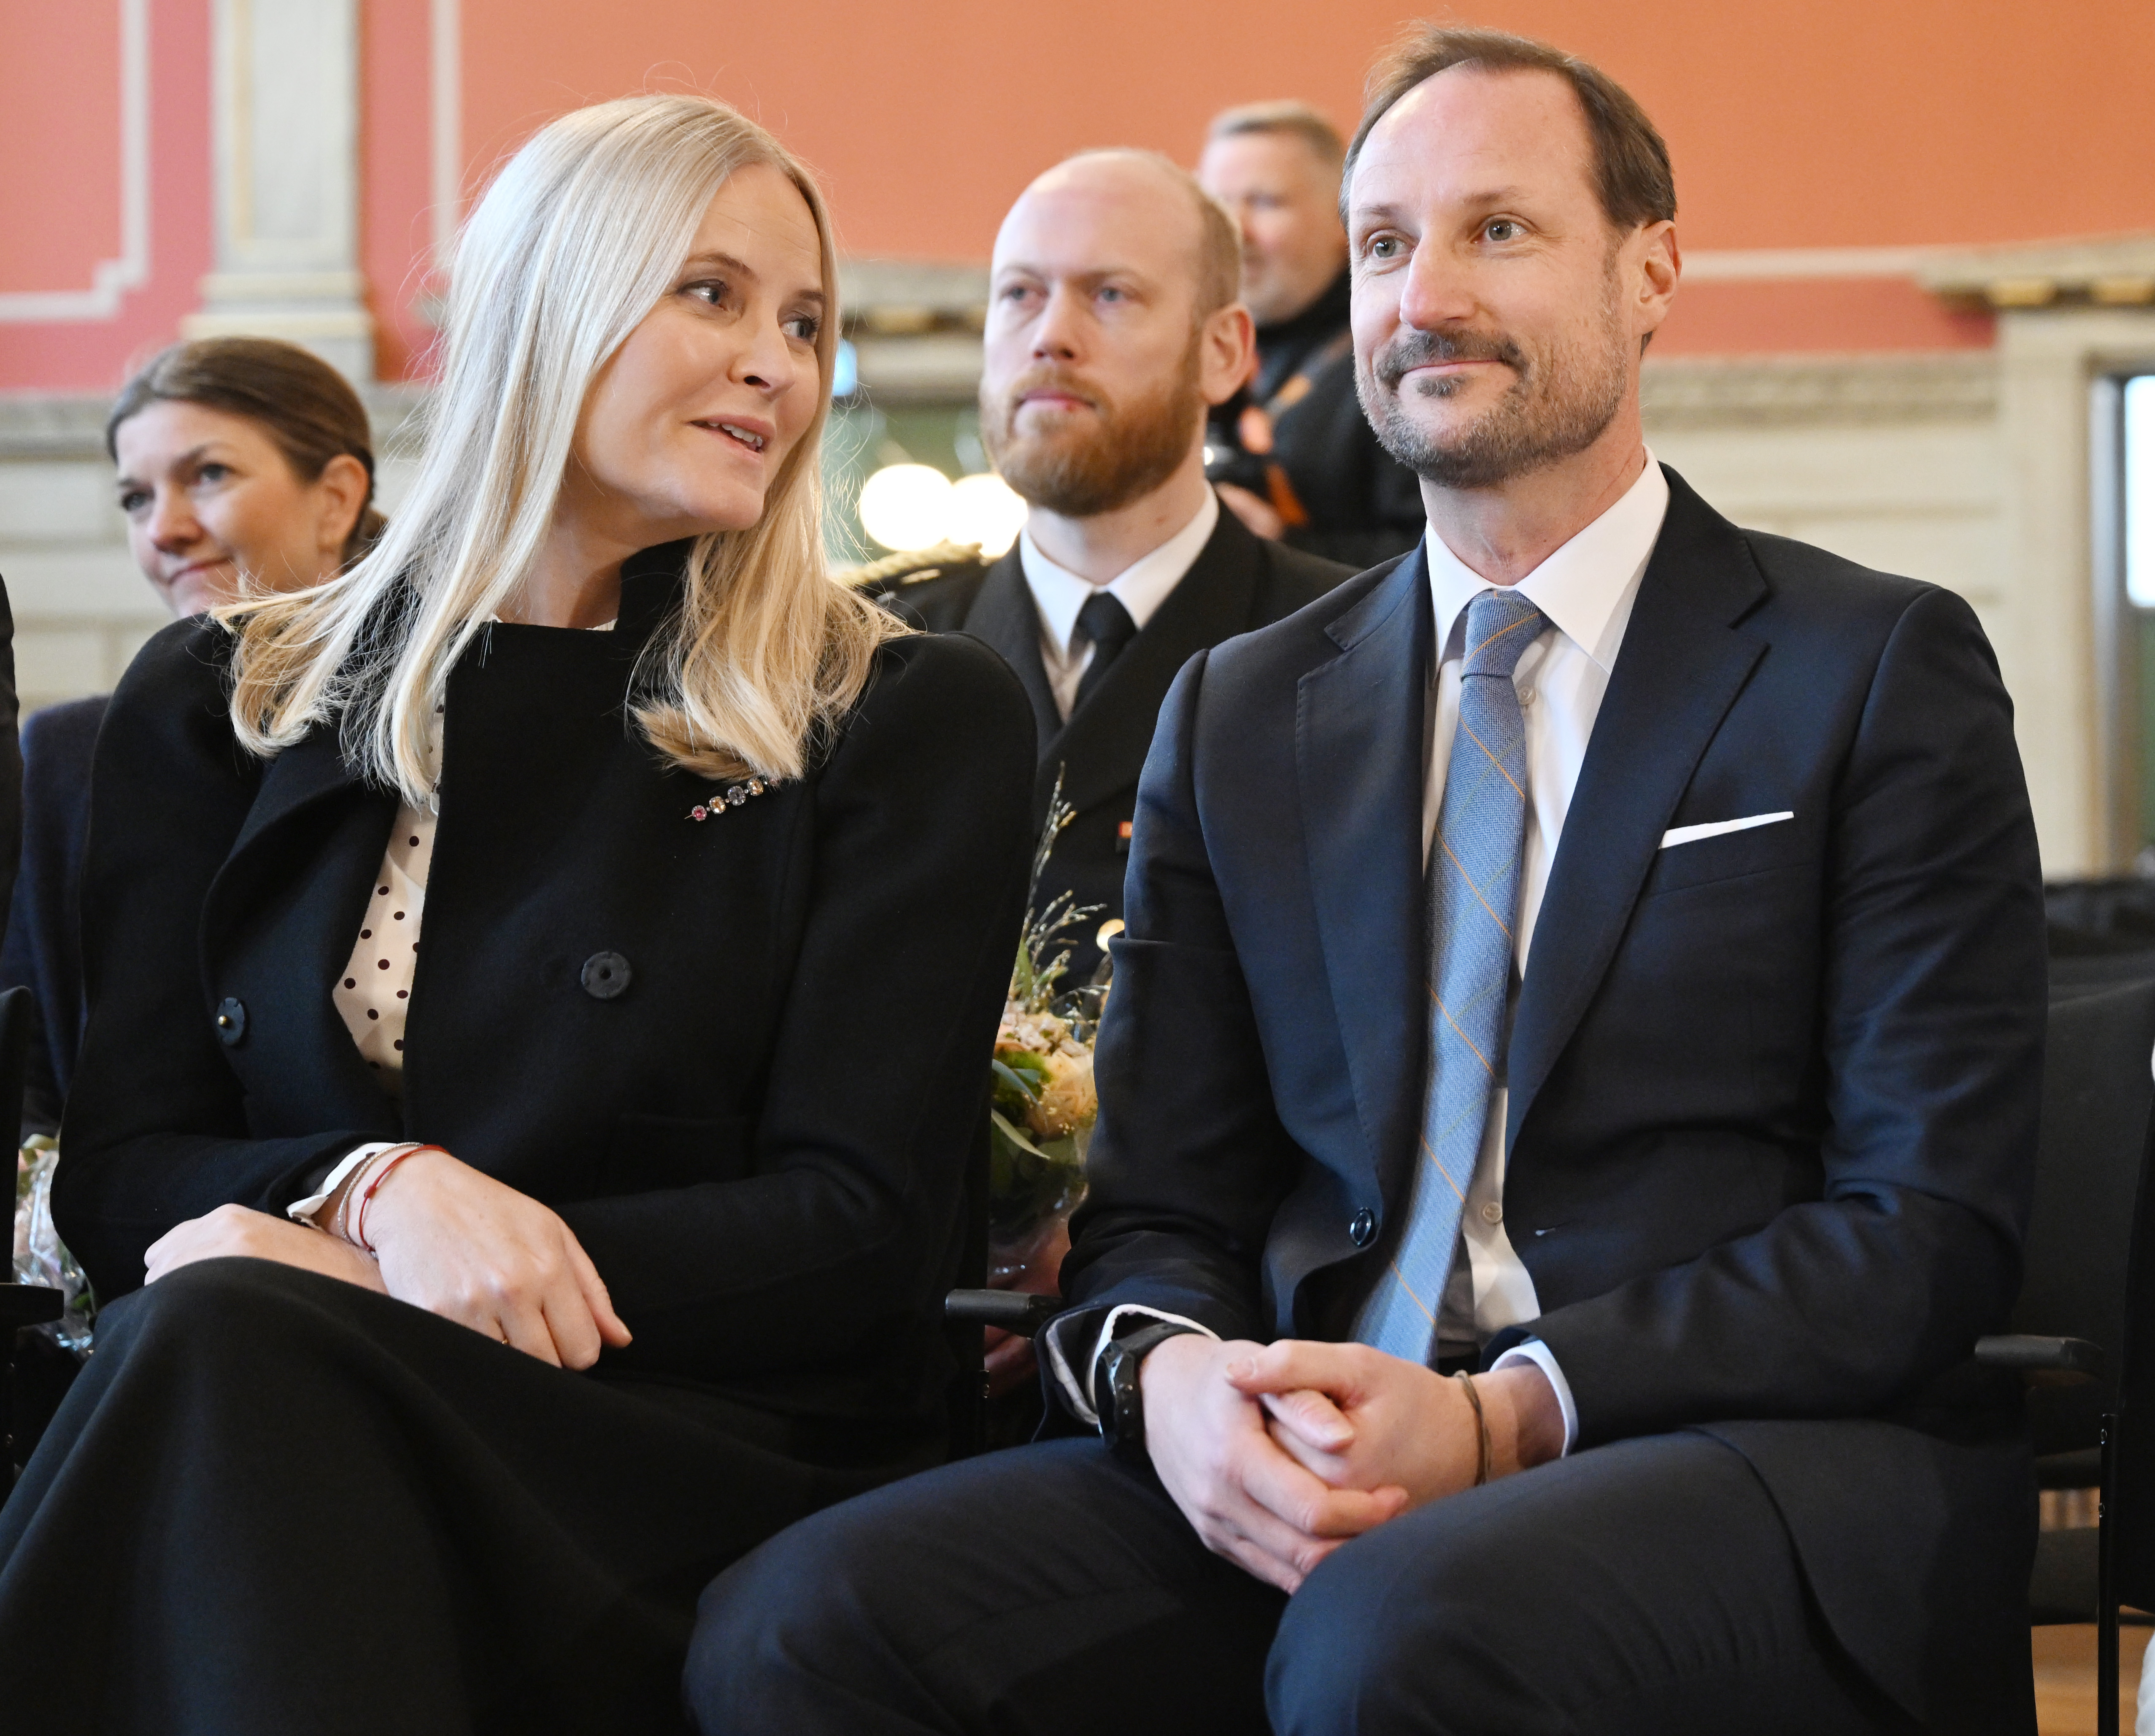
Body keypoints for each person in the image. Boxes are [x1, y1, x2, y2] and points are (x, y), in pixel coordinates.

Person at [689, 27, 2044, 1736]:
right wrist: (1173, 1378)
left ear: (1651, 270)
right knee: (795, 1623)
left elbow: (1925, 1227)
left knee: (1396, 1634)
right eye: (1387, 242)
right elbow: (1161, 1208)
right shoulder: (1247, 706)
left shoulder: (1863, 666)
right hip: (1321, 1439)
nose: (1423, 293)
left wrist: (1505, 1412)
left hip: (1729, 1449)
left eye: (1498, 229)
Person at [0, 92, 1034, 1733]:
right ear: (544, 301)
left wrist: (358, 1269)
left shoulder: (897, 708)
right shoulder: (226, 693)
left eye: (805, 320)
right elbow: (133, 1168)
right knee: (214, 1354)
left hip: (685, 1424)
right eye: (708, 292)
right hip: (277, 1383)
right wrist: (378, 1187)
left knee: (226, 1349)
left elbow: (857, 1226)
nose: (778, 361)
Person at [867, 149, 1349, 990]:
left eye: (1110, 294)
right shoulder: (873, 650)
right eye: (1019, 293)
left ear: (1223, 351)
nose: (1050, 334)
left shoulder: (1349, 647)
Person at [0, 337, 380, 1137]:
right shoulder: (71, 755)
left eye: (208, 475)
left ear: (337, 498)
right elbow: (27, 1055)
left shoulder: (422, 732)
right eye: (136, 499)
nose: (164, 529)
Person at [1199, 100, 1425, 569]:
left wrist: (1277, 546)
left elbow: (1443, 561)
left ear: (1342, 220)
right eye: (1216, 206)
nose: (1233, 231)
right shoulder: (1197, 346)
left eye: (1264, 202)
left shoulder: (1404, 349)